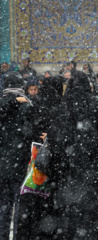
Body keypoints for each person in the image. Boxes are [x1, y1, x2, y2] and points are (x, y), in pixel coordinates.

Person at [17, 71, 98, 239]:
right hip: (97, 172)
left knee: (73, 220)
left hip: (70, 174)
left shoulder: (65, 107)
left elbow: (57, 139)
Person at [0, 71, 34, 239]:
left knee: (3, 207)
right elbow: (32, 134)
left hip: (2, 165)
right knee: (20, 205)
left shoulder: (2, 104)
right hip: (20, 163)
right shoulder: (26, 105)